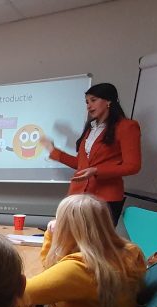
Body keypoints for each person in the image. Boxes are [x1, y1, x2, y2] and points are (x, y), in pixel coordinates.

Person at [20, 194, 145, 307]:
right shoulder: (130, 252)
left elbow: (18, 296)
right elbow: (52, 268)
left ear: (66, 227)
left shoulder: (79, 269)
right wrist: (51, 236)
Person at [40, 82, 141, 224]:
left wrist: (96, 171)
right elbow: (82, 165)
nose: (89, 106)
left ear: (108, 101)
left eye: (93, 100)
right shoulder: (91, 128)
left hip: (105, 198)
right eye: (87, 102)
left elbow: (133, 166)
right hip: (78, 196)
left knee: (97, 238)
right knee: (70, 236)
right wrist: (53, 151)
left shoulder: (127, 127)